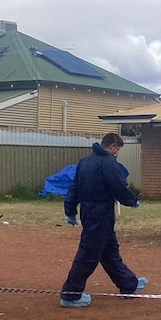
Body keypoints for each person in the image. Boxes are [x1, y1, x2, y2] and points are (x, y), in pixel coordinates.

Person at [60, 132, 147, 307]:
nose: (117, 153)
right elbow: (118, 186)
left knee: (109, 252)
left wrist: (70, 211)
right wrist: (132, 200)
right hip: (101, 213)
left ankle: (128, 284)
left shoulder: (84, 162)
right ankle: (70, 294)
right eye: (118, 149)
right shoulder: (108, 163)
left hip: (90, 212)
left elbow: (74, 189)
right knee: (88, 254)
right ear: (113, 146)